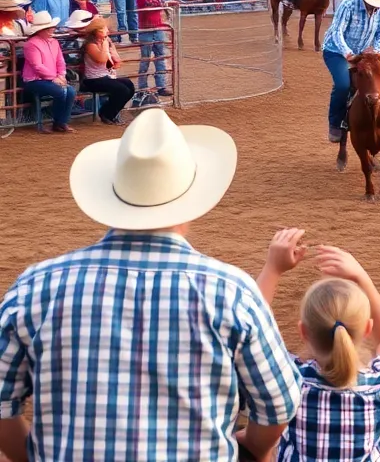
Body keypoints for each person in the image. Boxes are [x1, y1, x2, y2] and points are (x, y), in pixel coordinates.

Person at [0, 109, 301, 459]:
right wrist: (251, 446)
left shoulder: (37, 287)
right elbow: (278, 405)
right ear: (192, 198)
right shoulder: (232, 291)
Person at [254, 230, 380, 461]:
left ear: (303, 331)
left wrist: (273, 269)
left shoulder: (290, 382)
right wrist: (361, 277)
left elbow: (253, 332)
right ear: (367, 329)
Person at [321, 0, 380, 143]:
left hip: (363, 53)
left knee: (377, 81)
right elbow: (337, 32)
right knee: (343, 84)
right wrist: (347, 53)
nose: (375, 6)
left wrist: (377, 52)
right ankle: (335, 123)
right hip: (336, 51)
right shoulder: (348, 5)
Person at [17, 10, 77, 132]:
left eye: (52, 28)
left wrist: (61, 75)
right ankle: (58, 122)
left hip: (50, 78)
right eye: (49, 28)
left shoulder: (54, 42)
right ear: (41, 30)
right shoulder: (31, 44)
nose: (52, 30)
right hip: (34, 80)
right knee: (61, 91)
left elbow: (60, 61)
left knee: (70, 91)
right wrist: (55, 77)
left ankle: (61, 122)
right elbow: (37, 66)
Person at [78, 15, 135, 125]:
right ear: (96, 32)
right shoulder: (90, 45)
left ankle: (109, 113)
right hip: (92, 79)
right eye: (104, 29)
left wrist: (111, 47)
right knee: (122, 90)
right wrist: (105, 44)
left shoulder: (105, 43)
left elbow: (117, 61)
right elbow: (101, 59)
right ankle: (106, 114)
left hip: (105, 76)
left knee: (129, 85)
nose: (107, 31)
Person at [137, 0, 175, 98]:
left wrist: (167, 3)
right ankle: (144, 87)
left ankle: (160, 86)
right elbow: (152, 4)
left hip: (154, 29)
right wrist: (168, 3)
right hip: (147, 30)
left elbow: (157, 4)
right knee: (147, 60)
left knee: (159, 58)